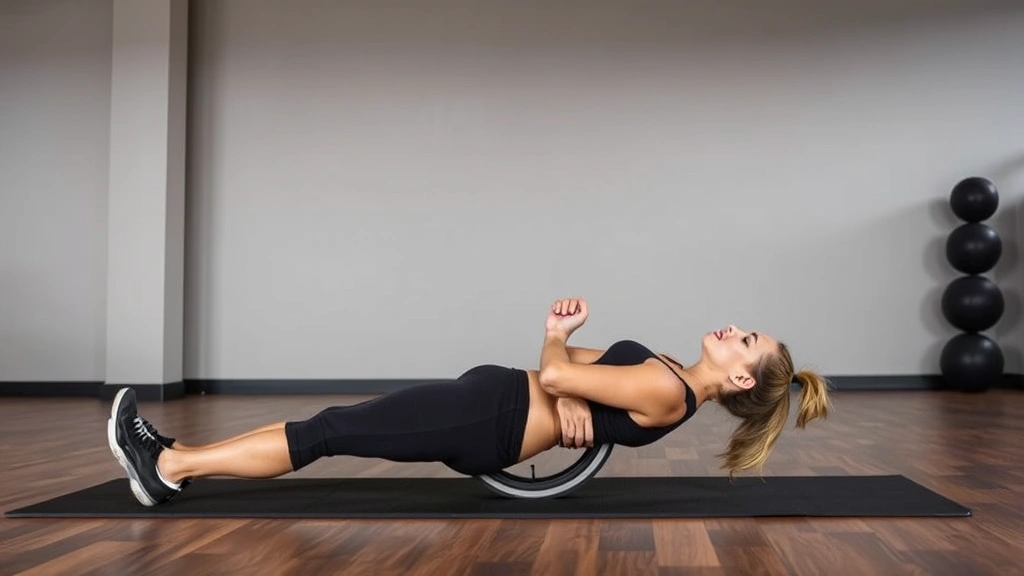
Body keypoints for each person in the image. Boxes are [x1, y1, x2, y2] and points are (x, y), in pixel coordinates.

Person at [107, 298, 831, 506]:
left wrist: (556, 345)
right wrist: (563, 368)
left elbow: (557, 368)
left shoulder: (669, 390)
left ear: (740, 380)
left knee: (329, 430)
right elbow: (566, 372)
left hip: (492, 419)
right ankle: (173, 462)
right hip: (496, 401)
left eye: (747, 341)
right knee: (333, 426)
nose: (734, 330)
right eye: (744, 330)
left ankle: (168, 464)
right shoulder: (668, 370)